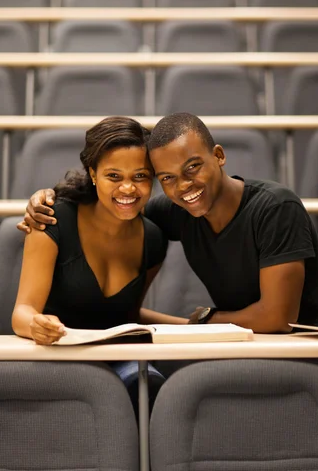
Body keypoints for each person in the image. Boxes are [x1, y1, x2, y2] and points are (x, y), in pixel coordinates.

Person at [19, 112, 318, 334]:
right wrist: (47, 198)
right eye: (168, 178)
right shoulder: (172, 212)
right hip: (237, 350)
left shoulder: (276, 206)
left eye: (193, 167)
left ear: (219, 156)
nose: (184, 186)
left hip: (301, 351)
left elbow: (278, 318)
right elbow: (118, 208)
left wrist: (204, 322)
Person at [12, 115, 187, 417]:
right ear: (93, 173)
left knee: (151, 388)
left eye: (141, 176)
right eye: (114, 176)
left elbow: (126, 315)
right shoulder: (51, 218)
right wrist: (36, 326)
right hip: (56, 356)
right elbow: (22, 313)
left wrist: (198, 326)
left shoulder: (154, 239)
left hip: (117, 362)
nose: (128, 189)